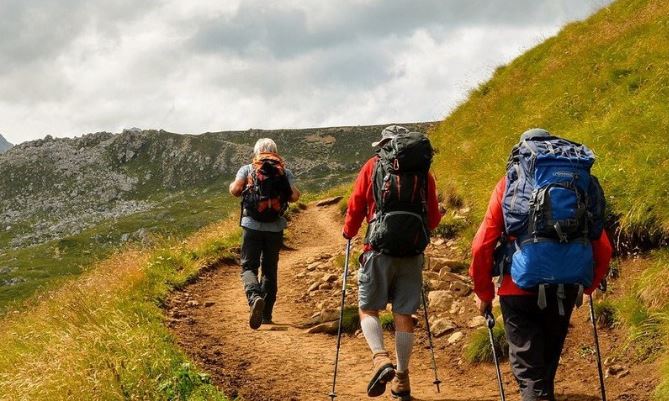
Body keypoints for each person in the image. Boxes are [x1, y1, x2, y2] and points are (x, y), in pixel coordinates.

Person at [470, 128, 613, 401]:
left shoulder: (510, 183)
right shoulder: (580, 183)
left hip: (518, 288)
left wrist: (484, 293)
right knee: (545, 371)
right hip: (566, 286)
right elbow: (603, 246)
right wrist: (588, 285)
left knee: (530, 376)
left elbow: (481, 246)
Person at [342, 125, 443, 400]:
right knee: (403, 315)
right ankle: (402, 378)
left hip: (378, 248)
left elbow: (356, 205)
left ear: (385, 144)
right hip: (411, 252)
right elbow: (432, 219)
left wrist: (349, 231)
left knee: (368, 308)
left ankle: (379, 358)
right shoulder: (424, 173)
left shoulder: (373, 165)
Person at [229, 138, 300, 330]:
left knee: (248, 267)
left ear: (256, 152)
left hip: (251, 225)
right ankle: (267, 314)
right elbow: (294, 196)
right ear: (275, 152)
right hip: (275, 228)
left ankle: (254, 298)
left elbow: (235, 190)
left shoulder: (247, 169)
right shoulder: (284, 171)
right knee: (270, 270)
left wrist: (239, 186)